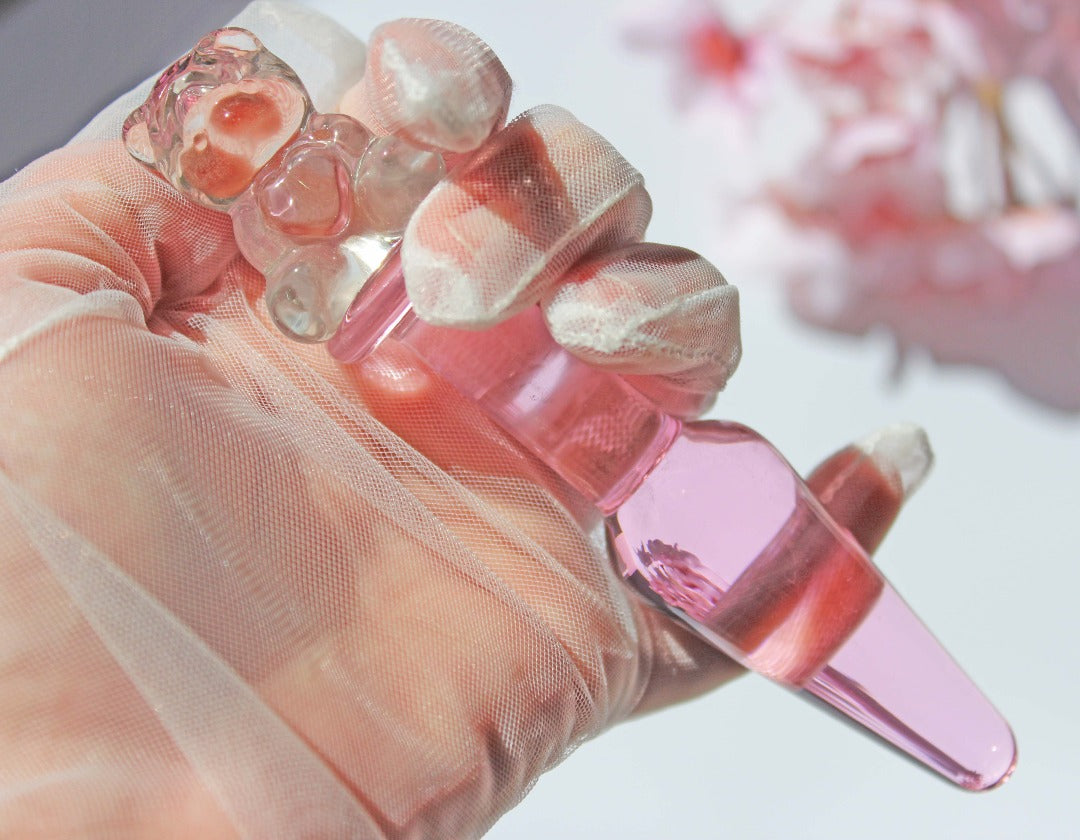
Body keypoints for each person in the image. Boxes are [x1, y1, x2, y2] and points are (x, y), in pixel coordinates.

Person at [0, 3, 926, 836]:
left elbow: (394, 187)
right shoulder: (252, 230)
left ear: (282, 87)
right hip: (371, 333)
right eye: (207, 141)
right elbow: (296, 298)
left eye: (248, 102)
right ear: (190, 171)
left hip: (437, 326)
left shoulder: (350, 159)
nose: (234, 132)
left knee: (507, 247)